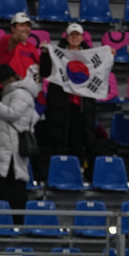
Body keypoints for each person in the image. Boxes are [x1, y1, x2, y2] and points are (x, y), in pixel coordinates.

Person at [38, 23, 98, 171]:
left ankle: (76, 173)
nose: (74, 37)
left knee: (78, 142)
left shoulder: (90, 57)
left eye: (77, 35)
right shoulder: (58, 54)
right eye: (72, 35)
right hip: (60, 105)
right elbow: (45, 72)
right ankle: (56, 172)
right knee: (59, 141)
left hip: (81, 106)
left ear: (82, 37)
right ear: (67, 36)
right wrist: (45, 54)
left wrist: (109, 56)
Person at [0, 64, 38, 223]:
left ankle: (18, 223)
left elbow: (12, 114)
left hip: (11, 149)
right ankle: (0, 223)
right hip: (6, 148)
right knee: (2, 187)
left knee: (13, 188)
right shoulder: (11, 93)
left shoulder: (20, 93)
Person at [0, 11, 39, 79]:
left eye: (28, 26)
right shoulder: (6, 40)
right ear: (13, 28)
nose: (26, 29)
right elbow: (14, 39)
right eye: (22, 25)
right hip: (9, 85)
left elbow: (38, 65)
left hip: (28, 86)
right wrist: (20, 36)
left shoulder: (31, 46)